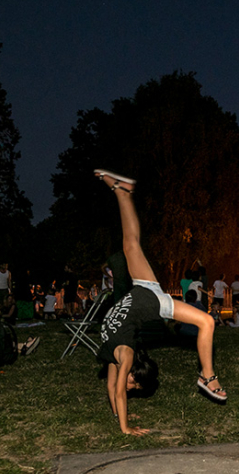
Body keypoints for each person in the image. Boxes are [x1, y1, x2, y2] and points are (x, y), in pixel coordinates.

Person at [93, 169, 226, 436]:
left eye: (132, 389)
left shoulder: (116, 356)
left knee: (130, 244)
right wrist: (125, 424)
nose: (128, 388)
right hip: (152, 301)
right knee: (207, 321)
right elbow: (117, 390)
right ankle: (207, 376)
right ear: (134, 373)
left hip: (144, 292)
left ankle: (123, 192)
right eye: (134, 386)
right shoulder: (125, 353)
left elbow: (113, 389)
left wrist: (123, 423)